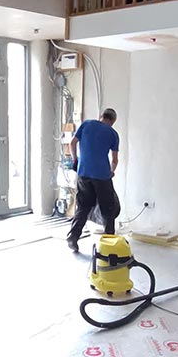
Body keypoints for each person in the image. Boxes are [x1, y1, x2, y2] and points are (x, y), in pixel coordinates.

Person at [67, 108, 121, 252]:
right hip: (102, 176)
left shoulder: (87, 124)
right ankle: (108, 245)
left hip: (83, 173)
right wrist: (111, 171)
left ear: (101, 116)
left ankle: (73, 238)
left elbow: (72, 143)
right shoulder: (113, 134)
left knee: (83, 207)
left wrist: (75, 161)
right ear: (113, 121)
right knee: (108, 209)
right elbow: (115, 160)